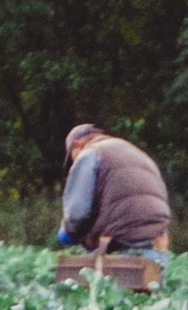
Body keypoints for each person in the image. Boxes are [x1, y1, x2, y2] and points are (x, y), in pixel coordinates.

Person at [52, 121, 174, 287]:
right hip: (155, 243)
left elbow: (78, 212)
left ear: (78, 145)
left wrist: (68, 232)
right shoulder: (138, 154)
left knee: (106, 303)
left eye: (72, 158)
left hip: (120, 245)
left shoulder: (90, 153)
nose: (74, 164)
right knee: (147, 303)